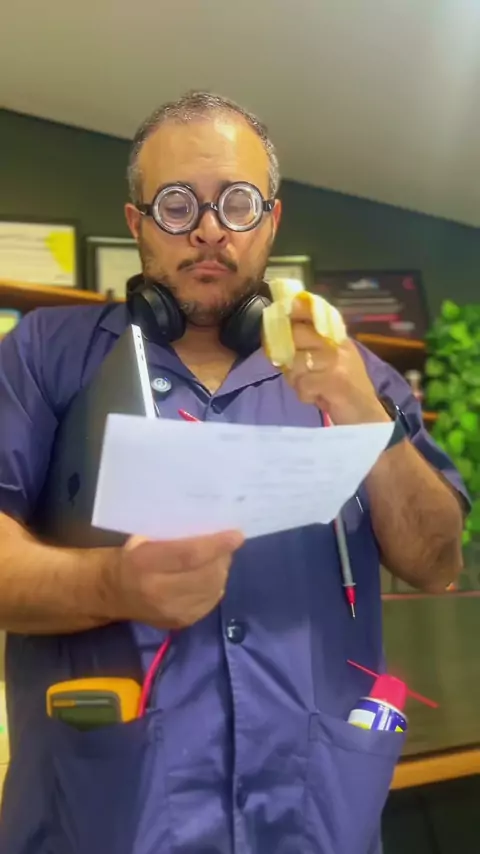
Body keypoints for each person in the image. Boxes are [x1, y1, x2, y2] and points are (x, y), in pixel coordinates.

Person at [0, 91, 468, 854]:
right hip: (101, 822)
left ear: (271, 222)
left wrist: (363, 413)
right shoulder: (44, 354)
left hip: (316, 823)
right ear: (137, 223)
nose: (211, 229)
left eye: (238, 203)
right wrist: (111, 586)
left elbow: (438, 562)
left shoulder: (359, 372)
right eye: (177, 205)